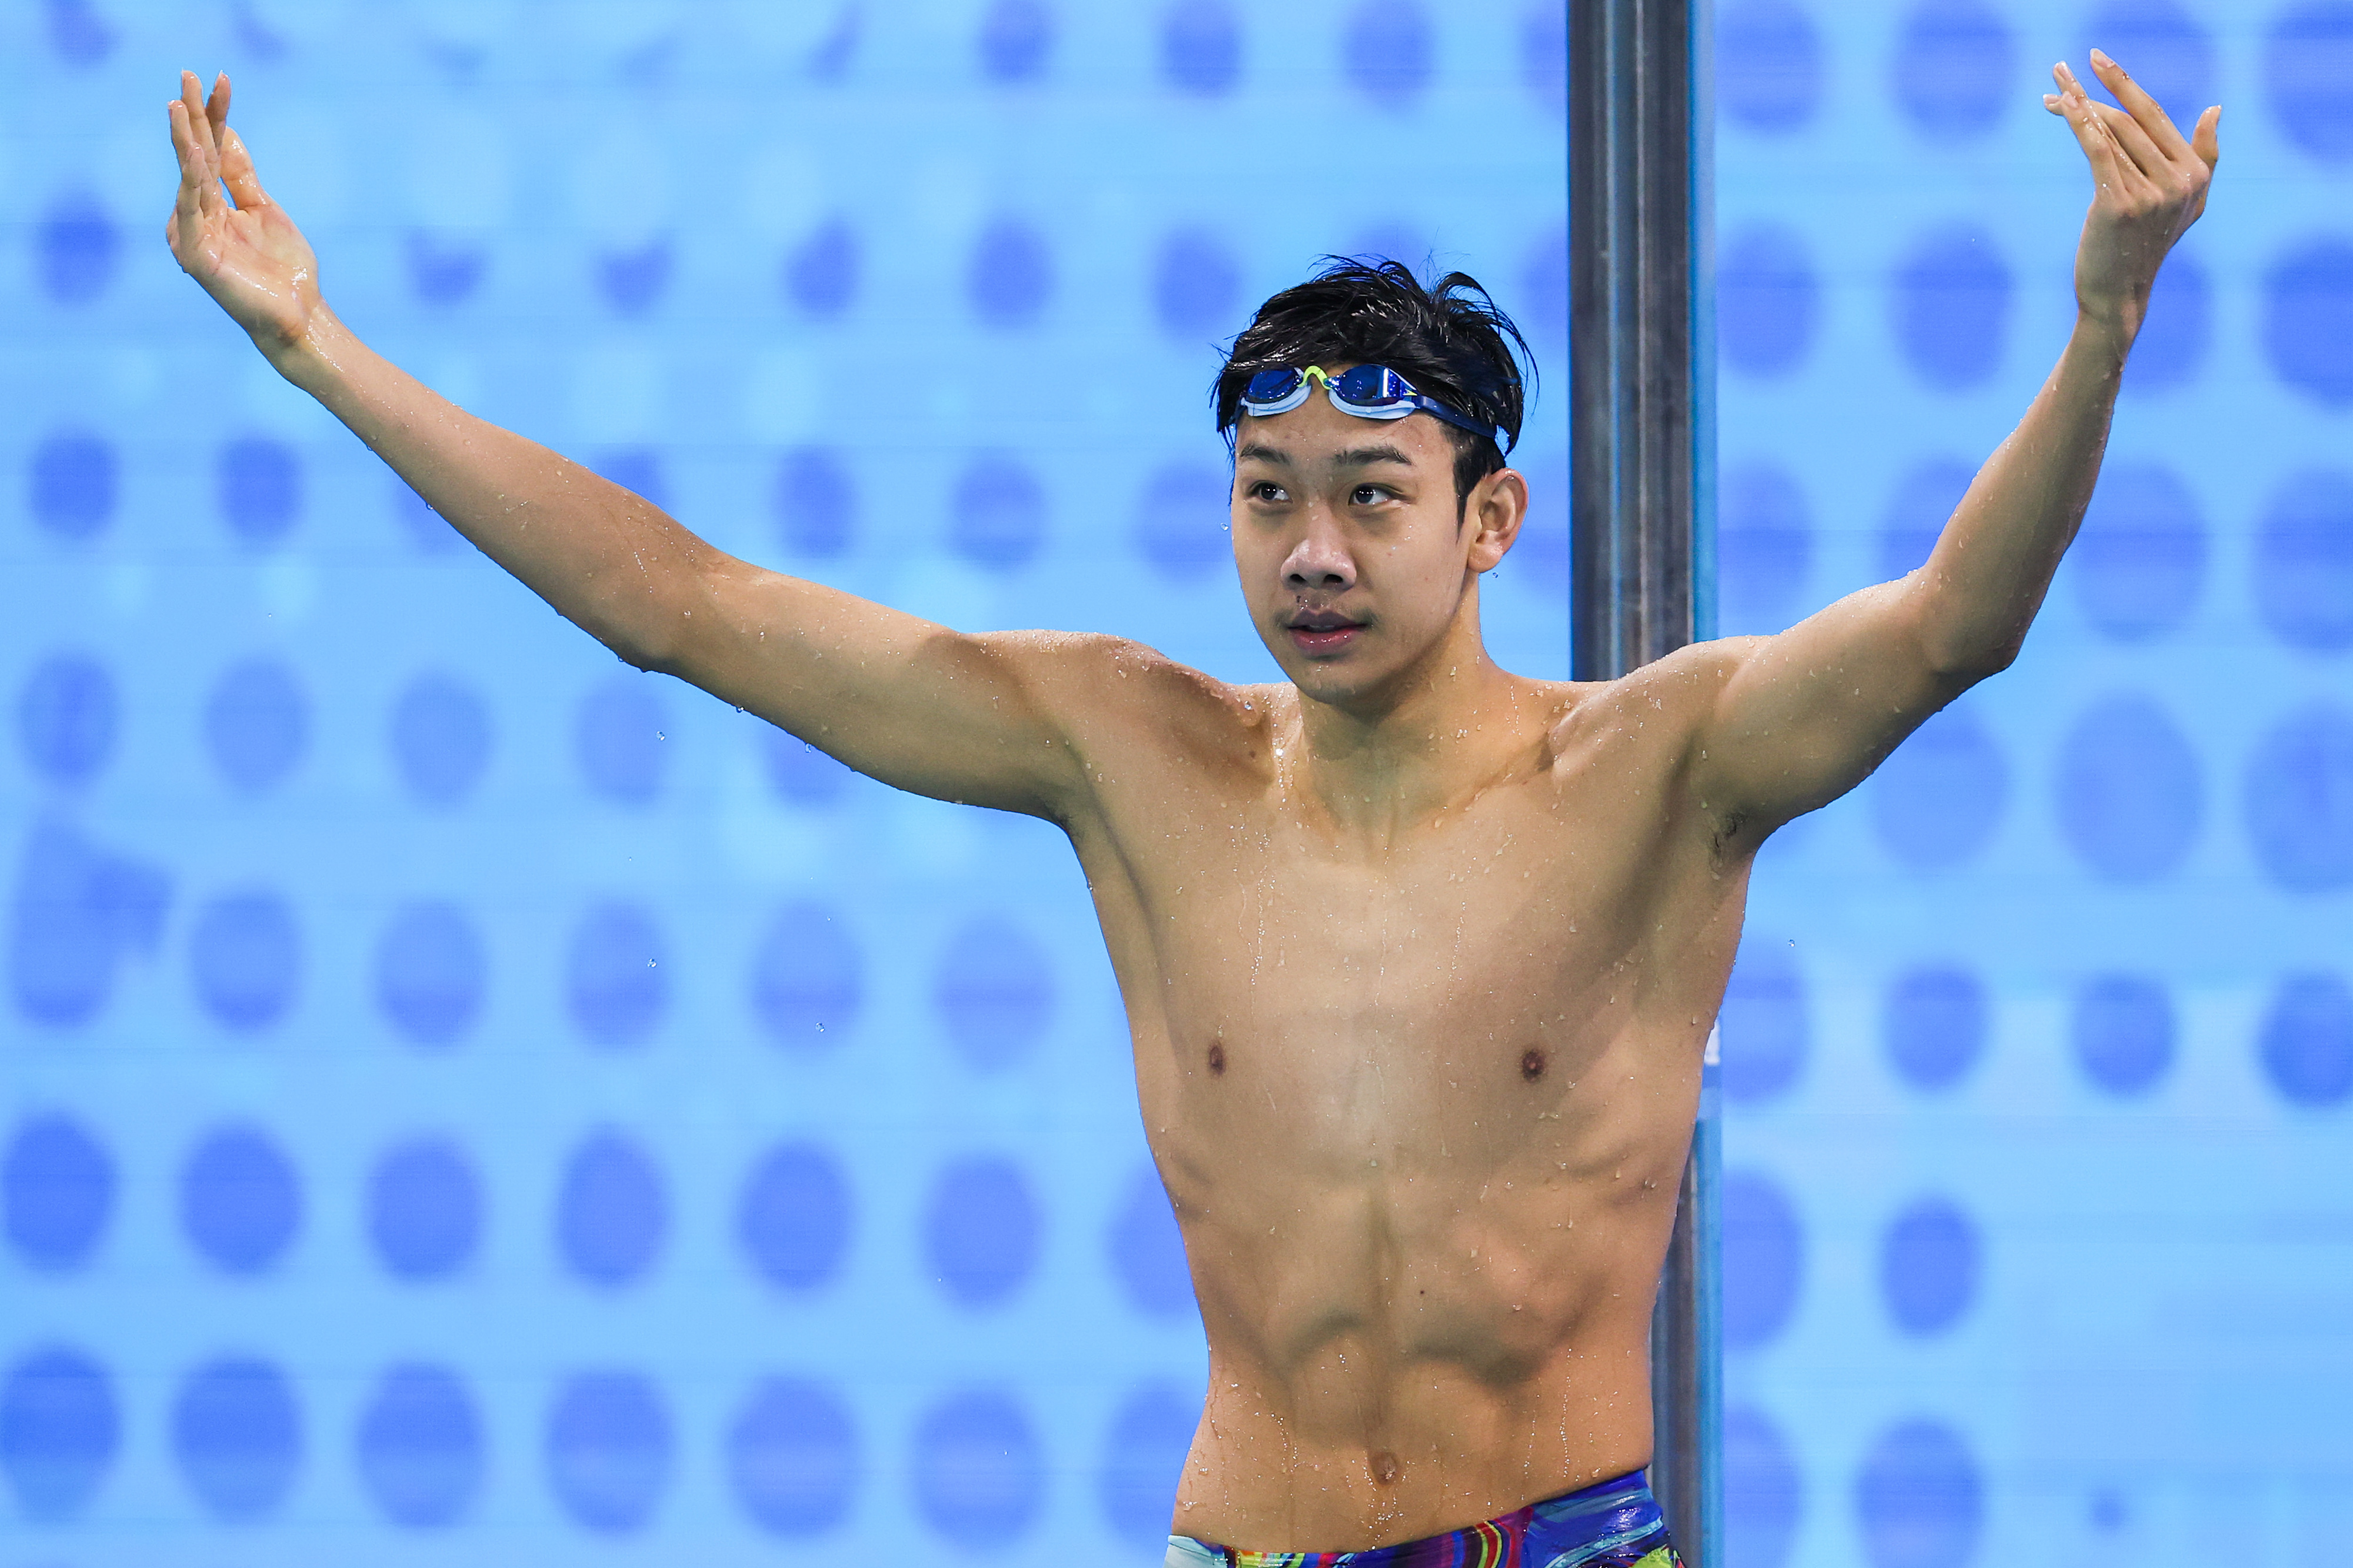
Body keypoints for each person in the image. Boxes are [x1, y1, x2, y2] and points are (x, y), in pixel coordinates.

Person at [165, 50, 2217, 1565]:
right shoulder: (1129, 755)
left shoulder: (1660, 773)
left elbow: (1959, 626)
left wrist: (2106, 315)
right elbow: (686, 610)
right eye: (1267, 499)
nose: (1310, 552)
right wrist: (323, 347)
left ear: (1493, 520)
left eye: (1370, 499)